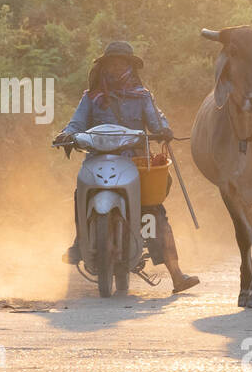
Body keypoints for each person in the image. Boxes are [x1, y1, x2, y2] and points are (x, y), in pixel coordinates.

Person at [52, 41, 200, 293]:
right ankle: (79, 243)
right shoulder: (91, 97)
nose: (117, 66)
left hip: (136, 163)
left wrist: (163, 130)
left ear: (130, 66)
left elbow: (156, 122)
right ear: (104, 66)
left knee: (154, 214)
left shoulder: (143, 96)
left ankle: (176, 275)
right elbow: (76, 124)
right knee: (80, 195)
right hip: (97, 159)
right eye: (112, 62)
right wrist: (66, 134)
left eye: (122, 62)